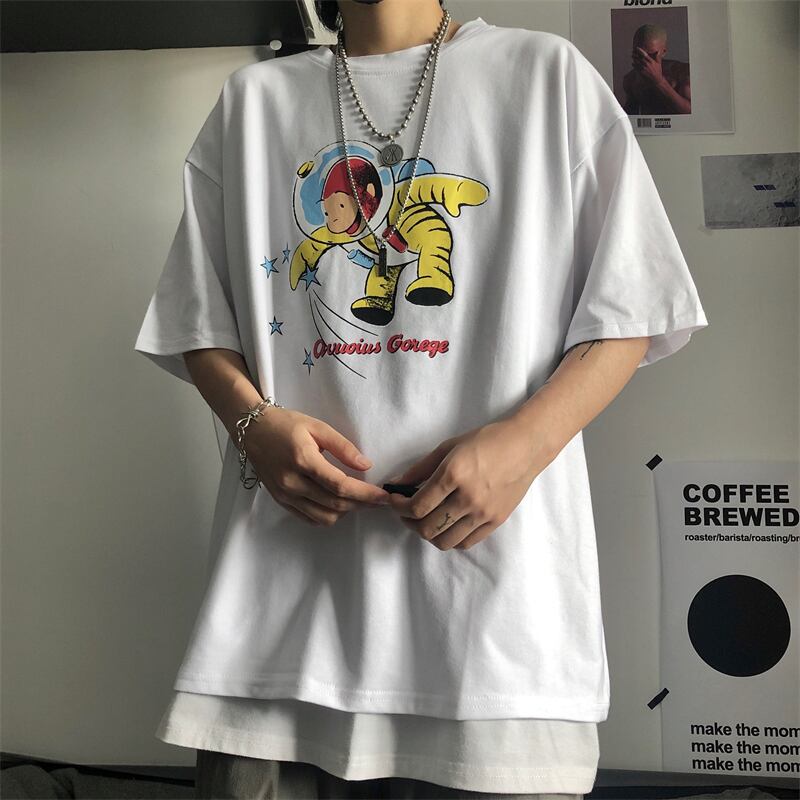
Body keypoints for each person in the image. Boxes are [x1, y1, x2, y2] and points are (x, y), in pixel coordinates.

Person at [133, 0, 709, 797]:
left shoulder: (546, 76)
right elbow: (197, 320)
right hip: (273, 647)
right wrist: (252, 422)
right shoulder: (252, 103)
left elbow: (634, 312)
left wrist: (523, 447)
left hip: (497, 643)